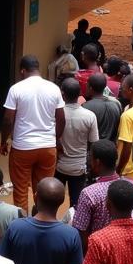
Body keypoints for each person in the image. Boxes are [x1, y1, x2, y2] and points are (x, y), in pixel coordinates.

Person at [0, 55, 63, 213]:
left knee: (21, 190)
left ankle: (23, 225)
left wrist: (3, 141)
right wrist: (55, 139)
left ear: (22, 70)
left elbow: (8, 119)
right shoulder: (53, 88)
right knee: (43, 190)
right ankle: (43, 221)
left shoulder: (16, 89)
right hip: (47, 147)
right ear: (37, 69)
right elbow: (61, 119)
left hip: (22, 147)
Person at [73, 139, 133, 254]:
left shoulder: (89, 193)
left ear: (97, 162)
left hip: (97, 252)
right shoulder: (132, 187)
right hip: (125, 250)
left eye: (90, 158)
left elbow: (81, 230)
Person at [56, 76, 99, 207]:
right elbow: (94, 144)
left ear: (62, 94)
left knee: (53, 200)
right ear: (79, 93)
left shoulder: (55, 114)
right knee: (75, 204)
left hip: (58, 165)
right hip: (79, 167)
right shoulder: (89, 116)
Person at [83, 71, 122, 143]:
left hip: (95, 148)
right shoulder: (117, 104)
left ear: (90, 88)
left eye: (87, 85)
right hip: (111, 147)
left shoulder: (86, 107)